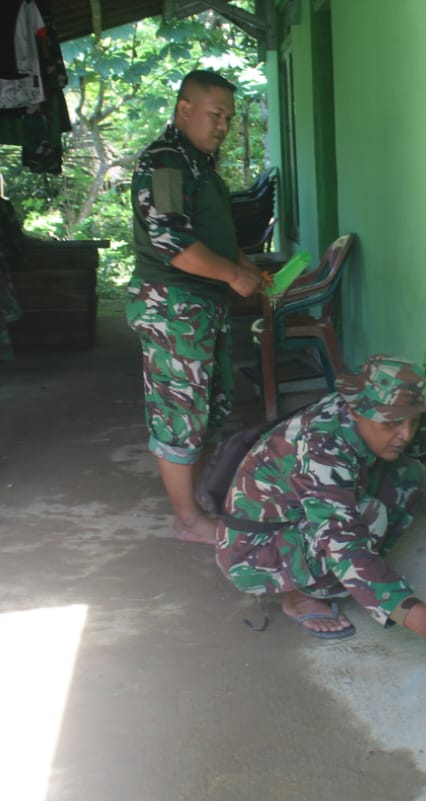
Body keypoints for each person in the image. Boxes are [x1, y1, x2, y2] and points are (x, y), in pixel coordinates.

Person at [215, 354, 426, 663]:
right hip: (253, 554)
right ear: (356, 411)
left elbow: (412, 426)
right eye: (392, 422)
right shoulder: (323, 449)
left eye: (412, 421)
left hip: (289, 522)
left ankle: (354, 579)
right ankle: (302, 596)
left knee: (404, 476)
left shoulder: (359, 408)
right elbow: (343, 543)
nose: (406, 434)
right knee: (366, 518)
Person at [127, 69, 266, 543]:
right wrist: (232, 275)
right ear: (185, 109)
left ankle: (202, 503)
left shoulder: (198, 165)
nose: (224, 125)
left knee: (207, 408)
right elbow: (172, 243)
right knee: (179, 412)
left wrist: (244, 265)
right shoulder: (166, 162)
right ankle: (188, 521)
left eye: (229, 117)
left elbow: (213, 234)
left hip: (201, 305)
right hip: (173, 306)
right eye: (216, 114)